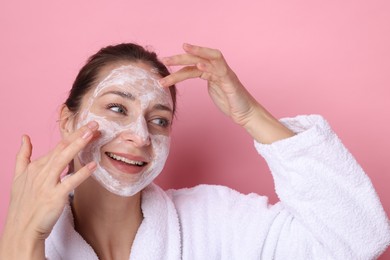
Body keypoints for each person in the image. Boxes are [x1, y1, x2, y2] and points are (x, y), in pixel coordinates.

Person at [0, 42, 389, 260]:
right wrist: (24, 240)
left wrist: (250, 113)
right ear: (68, 120)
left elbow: (356, 239)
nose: (141, 136)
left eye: (160, 120)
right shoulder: (24, 240)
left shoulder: (213, 221)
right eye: (118, 108)